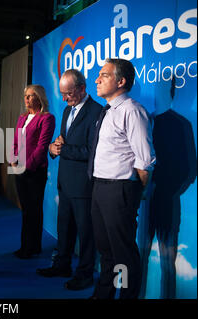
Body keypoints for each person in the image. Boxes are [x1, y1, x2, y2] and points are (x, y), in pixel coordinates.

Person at [88, 58, 156, 299]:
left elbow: (145, 160)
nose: (96, 80)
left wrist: (133, 192)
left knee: (123, 254)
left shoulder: (133, 111)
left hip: (120, 190)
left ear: (121, 81)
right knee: (106, 250)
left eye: (104, 75)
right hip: (99, 187)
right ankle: (104, 294)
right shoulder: (106, 111)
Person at [36, 69, 102, 290]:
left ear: (82, 88)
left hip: (83, 186)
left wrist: (64, 149)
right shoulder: (67, 110)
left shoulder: (97, 112)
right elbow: (63, 142)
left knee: (86, 234)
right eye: (62, 94)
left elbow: (93, 151)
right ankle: (61, 265)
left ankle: (84, 275)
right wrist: (53, 148)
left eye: (69, 94)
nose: (64, 98)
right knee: (64, 229)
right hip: (65, 183)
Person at [11, 84, 55, 259]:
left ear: (39, 98)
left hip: (35, 171)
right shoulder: (22, 118)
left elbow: (41, 147)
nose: (27, 99)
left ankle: (32, 247)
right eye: (26, 96)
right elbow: (15, 142)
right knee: (26, 210)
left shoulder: (47, 118)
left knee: (33, 209)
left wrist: (26, 166)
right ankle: (26, 246)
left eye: (30, 96)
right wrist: (13, 160)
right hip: (19, 169)